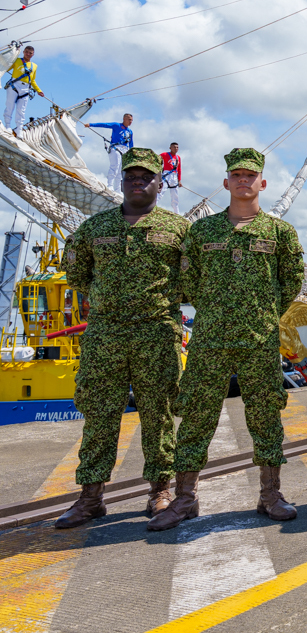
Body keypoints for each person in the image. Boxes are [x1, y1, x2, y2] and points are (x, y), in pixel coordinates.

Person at [149, 148, 306, 530]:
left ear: (262, 182)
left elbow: (291, 282)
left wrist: (261, 311)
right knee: (197, 417)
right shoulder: (202, 231)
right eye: (236, 175)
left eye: (250, 175)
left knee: (266, 416)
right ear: (225, 182)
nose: (243, 181)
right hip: (209, 339)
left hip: (259, 338)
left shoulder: (279, 233)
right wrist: (217, 309)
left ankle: (270, 494)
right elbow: (188, 279)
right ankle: (185, 499)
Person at [55, 148, 189, 530]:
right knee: (99, 414)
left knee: (158, 413)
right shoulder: (94, 229)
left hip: (156, 332)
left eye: (145, 176)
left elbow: (191, 278)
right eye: (131, 176)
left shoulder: (178, 230)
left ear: (159, 184)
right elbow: (77, 274)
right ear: (121, 182)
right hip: (105, 334)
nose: (137, 181)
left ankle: (161, 490)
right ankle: (90, 497)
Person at [84, 113, 135, 191]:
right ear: (124, 119)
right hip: (116, 148)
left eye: (131, 120)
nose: (131, 122)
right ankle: (110, 185)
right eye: (129, 120)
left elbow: (131, 144)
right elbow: (104, 125)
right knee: (115, 166)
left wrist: (132, 154)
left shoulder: (130, 131)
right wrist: (91, 124)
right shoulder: (116, 125)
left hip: (125, 150)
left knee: (121, 170)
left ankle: (117, 189)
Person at [4, 45, 44, 135]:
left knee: (21, 110)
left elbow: (32, 80)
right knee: (10, 106)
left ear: (33, 54)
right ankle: (7, 125)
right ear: (23, 52)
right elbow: (5, 68)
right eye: (26, 52)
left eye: (30, 53)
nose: (28, 54)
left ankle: (19, 128)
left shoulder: (34, 66)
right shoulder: (17, 60)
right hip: (14, 86)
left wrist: (38, 90)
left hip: (25, 88)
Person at [159, 143, 182, 213]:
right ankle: (151, 208)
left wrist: (179, 180)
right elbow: (156, 159)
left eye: (177, 147)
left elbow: (179, 169)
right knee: (160, 191)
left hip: (174, 176)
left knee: (175, 195)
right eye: (174, 147)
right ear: (170, 148)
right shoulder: (164, 154)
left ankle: (176, 212)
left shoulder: (178, 157)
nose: (176, 149)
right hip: (167, 175)